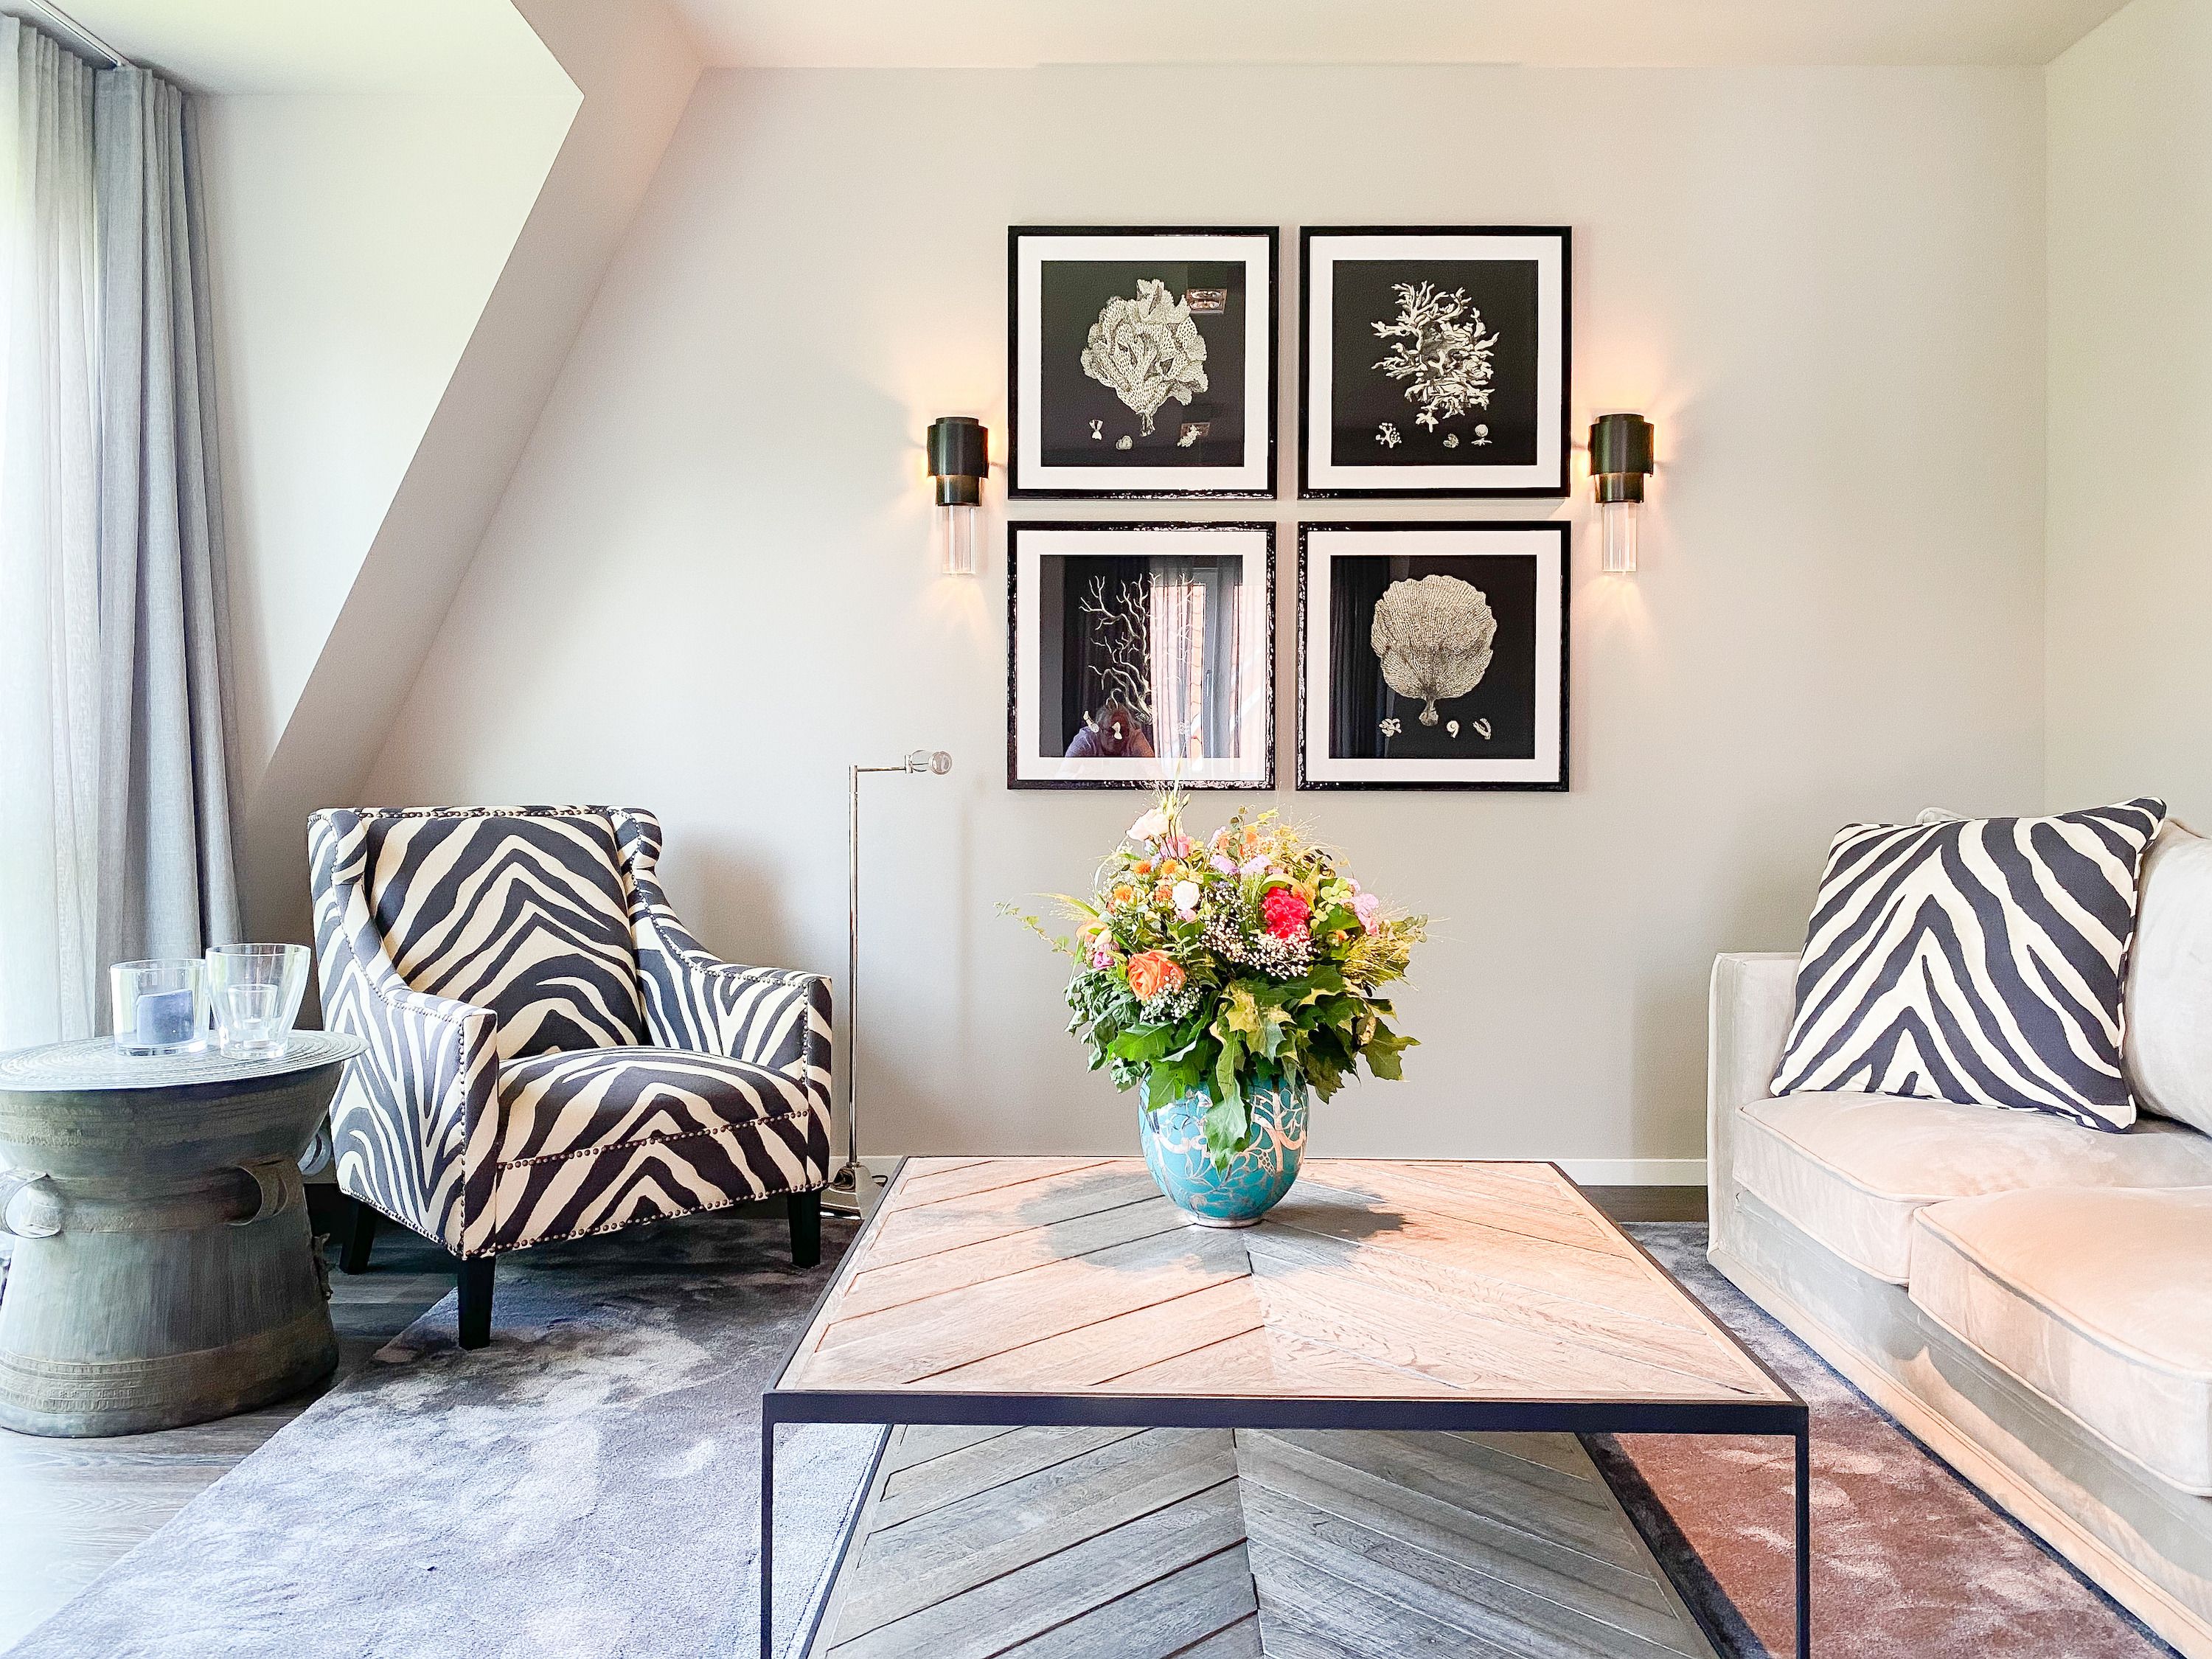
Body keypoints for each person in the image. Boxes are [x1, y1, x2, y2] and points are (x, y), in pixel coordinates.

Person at [1066, 700, 1154, 758]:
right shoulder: (1086, 739)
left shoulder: (1134, 737)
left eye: (1122, 731)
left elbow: (1153, 772)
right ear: (1098, 729)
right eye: (1110, 731)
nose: (1117, 737)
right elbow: (1065, 774)